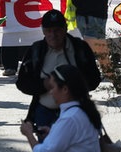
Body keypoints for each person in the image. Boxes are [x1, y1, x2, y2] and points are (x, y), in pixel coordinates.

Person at [15, 9, 101, 141]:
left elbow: (94, 79)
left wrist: (73, 86)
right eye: (48, 31)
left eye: (57, 30)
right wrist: (44, 85)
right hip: (45, 113)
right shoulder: (36, 50)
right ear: (43, 31)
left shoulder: (79, 48)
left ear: (65, 29)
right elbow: (22, 83)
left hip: (75, 114)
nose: (53, 35)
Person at [19, 64, 106, 152]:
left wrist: (29, 134)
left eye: (52, 87)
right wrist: (53, 133)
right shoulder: (82, 110)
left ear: (64, 89)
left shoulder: (70, 117)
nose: (50, 92)